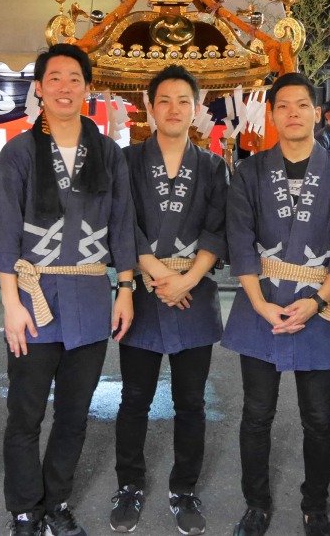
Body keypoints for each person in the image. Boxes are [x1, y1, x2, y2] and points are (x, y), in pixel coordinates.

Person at [0, 44, 137, 536]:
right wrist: (11, 305)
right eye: (55, 78)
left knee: (73, 413)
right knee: (24, 413)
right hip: (33, 300)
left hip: (89, 299)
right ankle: (25, 508)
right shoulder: (20, 152)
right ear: (38, 88)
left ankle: (57, 502)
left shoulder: (107, 152)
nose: (65, 87)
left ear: (88, 88)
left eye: (75, 79)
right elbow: (2, 226)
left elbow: (123, 223)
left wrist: (125, 288)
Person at [221, 72, 330, 536]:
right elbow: (239, 239)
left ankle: (316, 504)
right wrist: (261, 304)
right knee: (256, 413)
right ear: (272, 114)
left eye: (301, 105)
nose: (292, 114)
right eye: (282, 105)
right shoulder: (249, 172)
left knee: (319, 415)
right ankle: (256, 503)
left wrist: (319, 299)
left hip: (317, 303)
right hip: (258, 302)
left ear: (316, 112)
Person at [109, 65, 228, 536]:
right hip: (141, 290)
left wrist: (189, 279)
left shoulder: (214, 165)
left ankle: (184, 488)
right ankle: (129, 484)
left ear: (197, 108)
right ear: (149, 106)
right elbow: (120, 221)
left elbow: (220, 227)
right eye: (165, 100)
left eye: (184, 100)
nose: (174, 108)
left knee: (191, 402)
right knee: (134, 398)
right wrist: (158, 273)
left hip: (194, 294)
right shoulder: (127, 161)